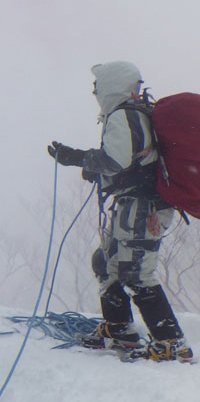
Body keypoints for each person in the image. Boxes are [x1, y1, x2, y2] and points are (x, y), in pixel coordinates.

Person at [48, 61, 192, 362]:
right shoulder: (136, 115)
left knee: (136, 272)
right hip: (137, 204)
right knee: (106, 262)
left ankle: (170, 342)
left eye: (98, 86)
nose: (95, 91)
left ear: (112, 85)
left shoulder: (123, 116)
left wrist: (75, 158)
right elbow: (132, 161)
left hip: (142, 207)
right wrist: (95, 170)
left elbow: (115, 162)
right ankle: (119, 329)